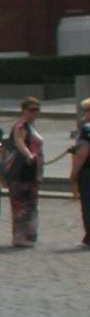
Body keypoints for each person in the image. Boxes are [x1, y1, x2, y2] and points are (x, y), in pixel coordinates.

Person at [6, 96, 44, 247]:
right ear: (23, 110)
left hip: (33, 171)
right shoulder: (20, 125)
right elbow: (19, 141)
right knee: (20, 204)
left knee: (31, 203)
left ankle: (29, 235)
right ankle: (20, 237)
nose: (35, 113)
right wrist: (28, 155)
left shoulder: (32, 126)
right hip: (21, 171)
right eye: (31, 110)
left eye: (37, 110)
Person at [71, 99, 90, 247]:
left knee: (88, 204)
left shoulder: (87, 129)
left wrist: (74, 172)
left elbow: (83, 153)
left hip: (88, 172)